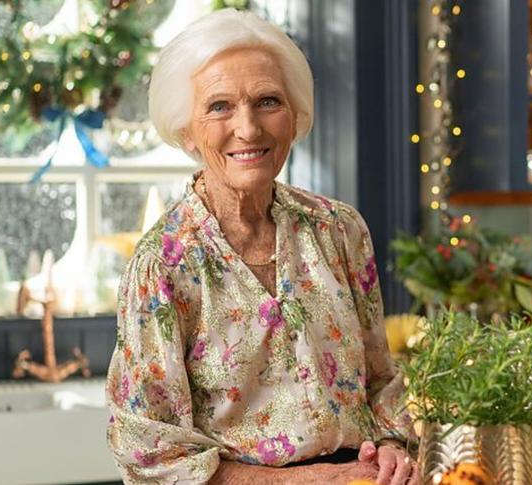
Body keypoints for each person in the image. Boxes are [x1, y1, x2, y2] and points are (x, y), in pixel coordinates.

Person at [105, 9, 415, 484]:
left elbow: (381, 382)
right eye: (219, 107)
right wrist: (307, 482)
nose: (248, 129)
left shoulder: (340, 230)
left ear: (296, 115)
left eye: (268, 101)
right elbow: (153, 457)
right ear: (186, 129)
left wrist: (393, 446)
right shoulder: (163, 265)